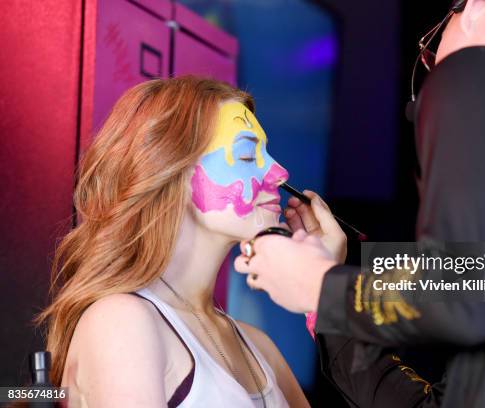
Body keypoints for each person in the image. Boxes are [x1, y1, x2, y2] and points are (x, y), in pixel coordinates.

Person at [235, 0, 485, 406]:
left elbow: (463, 296)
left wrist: (318, 284)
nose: (434, 66)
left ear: (477, 8)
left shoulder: (482, 73)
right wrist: (331, 279)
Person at [34, 76, 309, 407]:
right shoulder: (122, 322)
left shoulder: (260, 346)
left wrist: (321, 295)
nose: (279, 172)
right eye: (249, 156)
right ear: (170, 170)